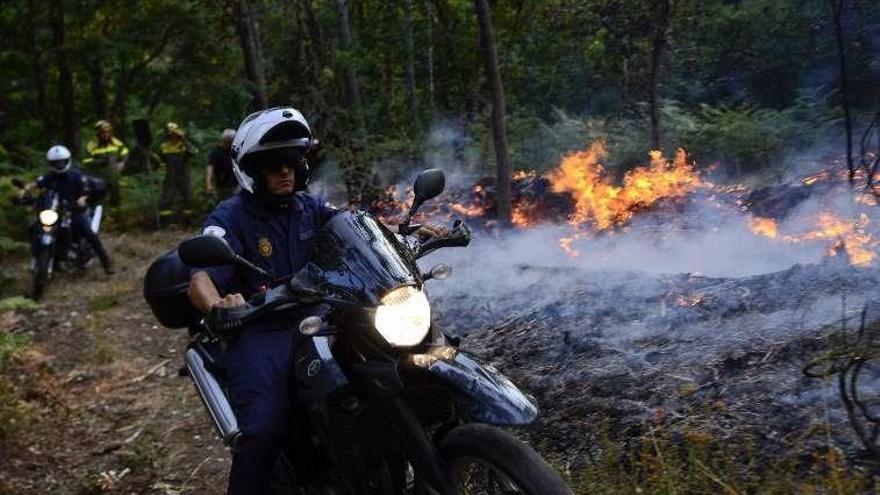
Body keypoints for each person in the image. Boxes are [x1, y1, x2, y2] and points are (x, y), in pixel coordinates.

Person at [186, 107, 443, 494]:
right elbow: (201, 278)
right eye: (273, 164)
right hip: (264, 327)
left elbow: (359, 229)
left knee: (410, 362)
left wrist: (410, 233)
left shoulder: (311, 206)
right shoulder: (231, 215)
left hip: (327, 316)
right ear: (252, 170)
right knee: (263, 430)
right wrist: (218, 305)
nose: (285, 171)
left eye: (292, 161)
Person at [19, 145, 114, 275]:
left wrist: (82, 199)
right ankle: (40, 255)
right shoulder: (50, 176)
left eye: (62, 161)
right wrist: (24, 191)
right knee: (35, 225)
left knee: (89, 233)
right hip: (54, 211)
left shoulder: (76, 175)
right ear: (51, 163)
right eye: (56, 162)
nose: (60, 164)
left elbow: (85, 188)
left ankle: (106, 262)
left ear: (68, 160)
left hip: (73, 211)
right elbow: (36, 183)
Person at [83, 120, 128, 206]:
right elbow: (86, 161)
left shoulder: (116, 142)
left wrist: (122, 162)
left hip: (114, 177)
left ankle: (116, 215)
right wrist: (99, 161)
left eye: (108, 132)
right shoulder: (91, 146)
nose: (106, 134)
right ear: (98, 133)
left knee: (116, 200)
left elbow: (125, 152)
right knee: (100, 201)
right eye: (103, 132)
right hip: (99, 179)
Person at [158, 122, 197, 216]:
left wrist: (184, 140)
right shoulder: (164, 146)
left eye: (175, 134)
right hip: (170, 176)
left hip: (183, 175)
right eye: (171, 134)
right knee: (167, 197)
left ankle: (187, 221)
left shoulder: (184, 145)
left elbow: (194, 152)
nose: (173, 136)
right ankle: (166, 221)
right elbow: (158, 160)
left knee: (187, 197)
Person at [205, 128, 238, 198]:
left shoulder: (234, 150)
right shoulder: (216, 152)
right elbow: (210, 167)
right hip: (223, 187)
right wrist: (208, 184)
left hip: (236, 185)